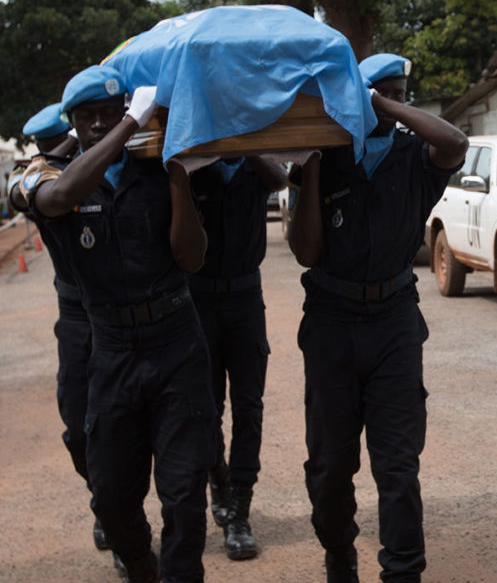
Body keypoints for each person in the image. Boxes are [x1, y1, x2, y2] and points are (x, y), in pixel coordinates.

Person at [26, 65, 216, 583]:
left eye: (111, 113)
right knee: (110, 496)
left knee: (184, 494)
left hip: (175, 341)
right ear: (72, 123)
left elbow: (192, 258)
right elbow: (57, 200)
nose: (100, 123)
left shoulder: (156, 170)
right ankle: (140, 566)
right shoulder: (51, 176)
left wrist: (178, 178)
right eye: (89, 116)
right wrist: (130, 124)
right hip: (110, 348)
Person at [288, 53, 468, 583]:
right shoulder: (325, 155)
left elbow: (456, 143)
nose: (388, 102)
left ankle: (403, 572)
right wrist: (310, 173)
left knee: (398, 464)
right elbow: (306, 251)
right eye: (377, 93)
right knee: (329, 465)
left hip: (393, 321)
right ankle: (339, 553)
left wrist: (382, 105)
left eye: (398, 93)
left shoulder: (415, 156)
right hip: (331, 322)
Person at [8, 102, 111, 550]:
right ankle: (105, 503)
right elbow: (48, 186)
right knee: (78, 428)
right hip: (75, 318)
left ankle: (118, 513)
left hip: (116, 312)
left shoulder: (103, 171)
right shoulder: (35, 179)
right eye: (47, 147)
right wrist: (67, 148)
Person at [188, 156, 285, 560]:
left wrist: (246, 141)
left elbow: (279, 179)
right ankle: (219, 477)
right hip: (198, 299)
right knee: (205, 407)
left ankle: (239, 511)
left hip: (245, 299)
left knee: (249, 406)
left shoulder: (254, 166)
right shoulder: (196, 167)